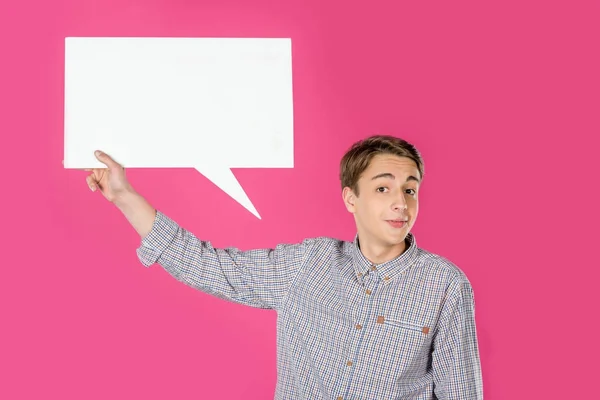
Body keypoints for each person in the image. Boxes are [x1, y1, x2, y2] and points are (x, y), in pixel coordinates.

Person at [85, 135, 483, 399]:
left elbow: (461, 392)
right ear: (351, 198)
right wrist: (123, 196)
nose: (401, 202)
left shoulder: (445, 285)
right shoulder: (307, 264)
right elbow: (207, 265)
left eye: (410, 189)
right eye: (383, 187)